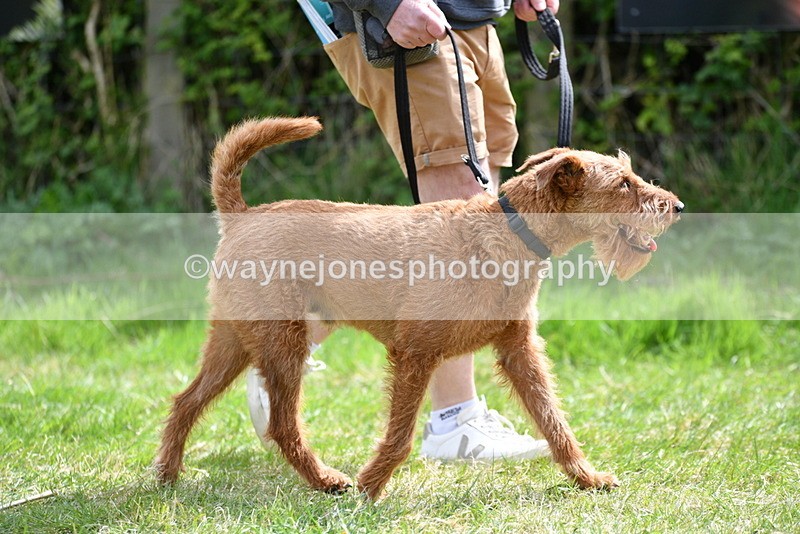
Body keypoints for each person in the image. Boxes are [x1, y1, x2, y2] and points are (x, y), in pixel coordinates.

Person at [248, 0, 558, 461]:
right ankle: (455, 422)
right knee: (460, 220)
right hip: (407, 23)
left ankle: (284, 345)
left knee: (488, 205)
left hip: (476, 19)